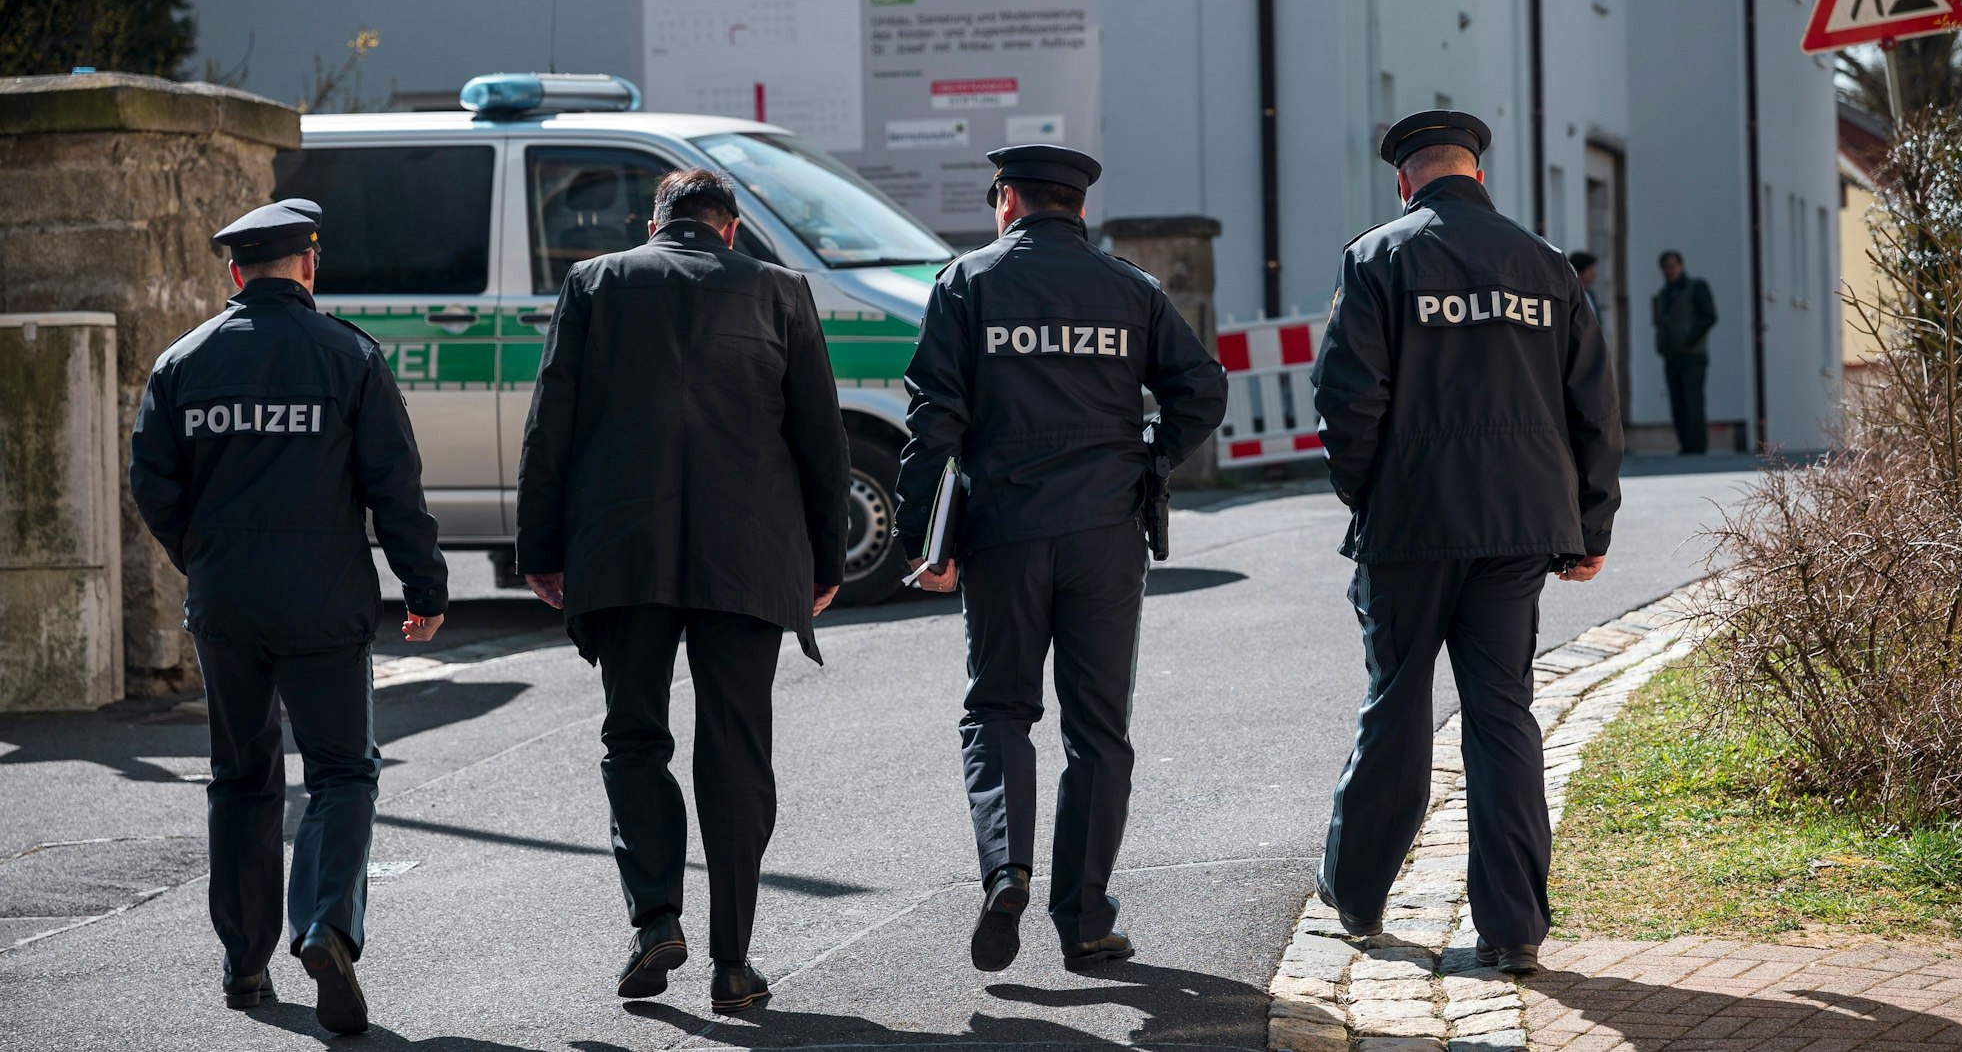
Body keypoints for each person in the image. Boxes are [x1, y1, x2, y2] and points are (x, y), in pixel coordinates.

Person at [514, 168, 848, 1013]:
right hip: (750, 555)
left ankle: (655, 916)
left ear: (655, 222)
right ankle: (734, 962)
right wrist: (828, 561)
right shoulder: (782, 291)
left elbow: (552, 421)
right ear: (730, 229)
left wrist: (541, 547)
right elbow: (821, 437)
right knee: (735, 750)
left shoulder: (594, 282)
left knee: (634, 737)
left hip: (625, 552)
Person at [897, 144, 1227, 975]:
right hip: (1106, 534)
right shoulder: (1131, 289)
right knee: (1098, 730)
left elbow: (933, 420)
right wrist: (1148, 459)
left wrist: (926, 544)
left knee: (1000, 709)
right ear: (1079, 208)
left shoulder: (967, 282)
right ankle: (1084, 920)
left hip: (1003, 530)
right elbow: (1203, 388)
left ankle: (1006, 865)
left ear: (1005, 200)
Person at [1310, 110, 1622, 977]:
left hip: (1410, 529)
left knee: (1397, 708)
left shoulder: (1378, 257)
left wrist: (1369, 497)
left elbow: (1344, 404)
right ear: (1477, 173)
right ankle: (1514, 926)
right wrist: (1588, 524)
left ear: (1404, 181)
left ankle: (1360, 895)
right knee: (1501, 716)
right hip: (1519, 529)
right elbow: (1594, 406)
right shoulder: (1548, 266)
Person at [129, 199, 448, 1036]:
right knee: (342, 771)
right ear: (308, 265)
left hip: (227, 603)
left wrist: (201, 557)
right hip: (326, 601)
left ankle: (244, 962)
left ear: (235, 272)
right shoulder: (349, 356)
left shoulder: (182, 363)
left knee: (241, 777)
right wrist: (425, 588)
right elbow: (394, 487)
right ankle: (325, 925)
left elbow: (153, 485)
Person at [1651, 249, 1716, 455]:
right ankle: (1686, 443)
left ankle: (1697, 445)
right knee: (1677, 400)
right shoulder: (1664, 294)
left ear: (1681, 266)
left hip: (1693, 355)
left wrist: (1689, 336)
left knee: (1692, 399)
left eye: (1672, 266)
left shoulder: (1696, 287)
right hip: (1671, 354)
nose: (1669, 271)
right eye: (1665, 267)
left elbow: (1709, 316)